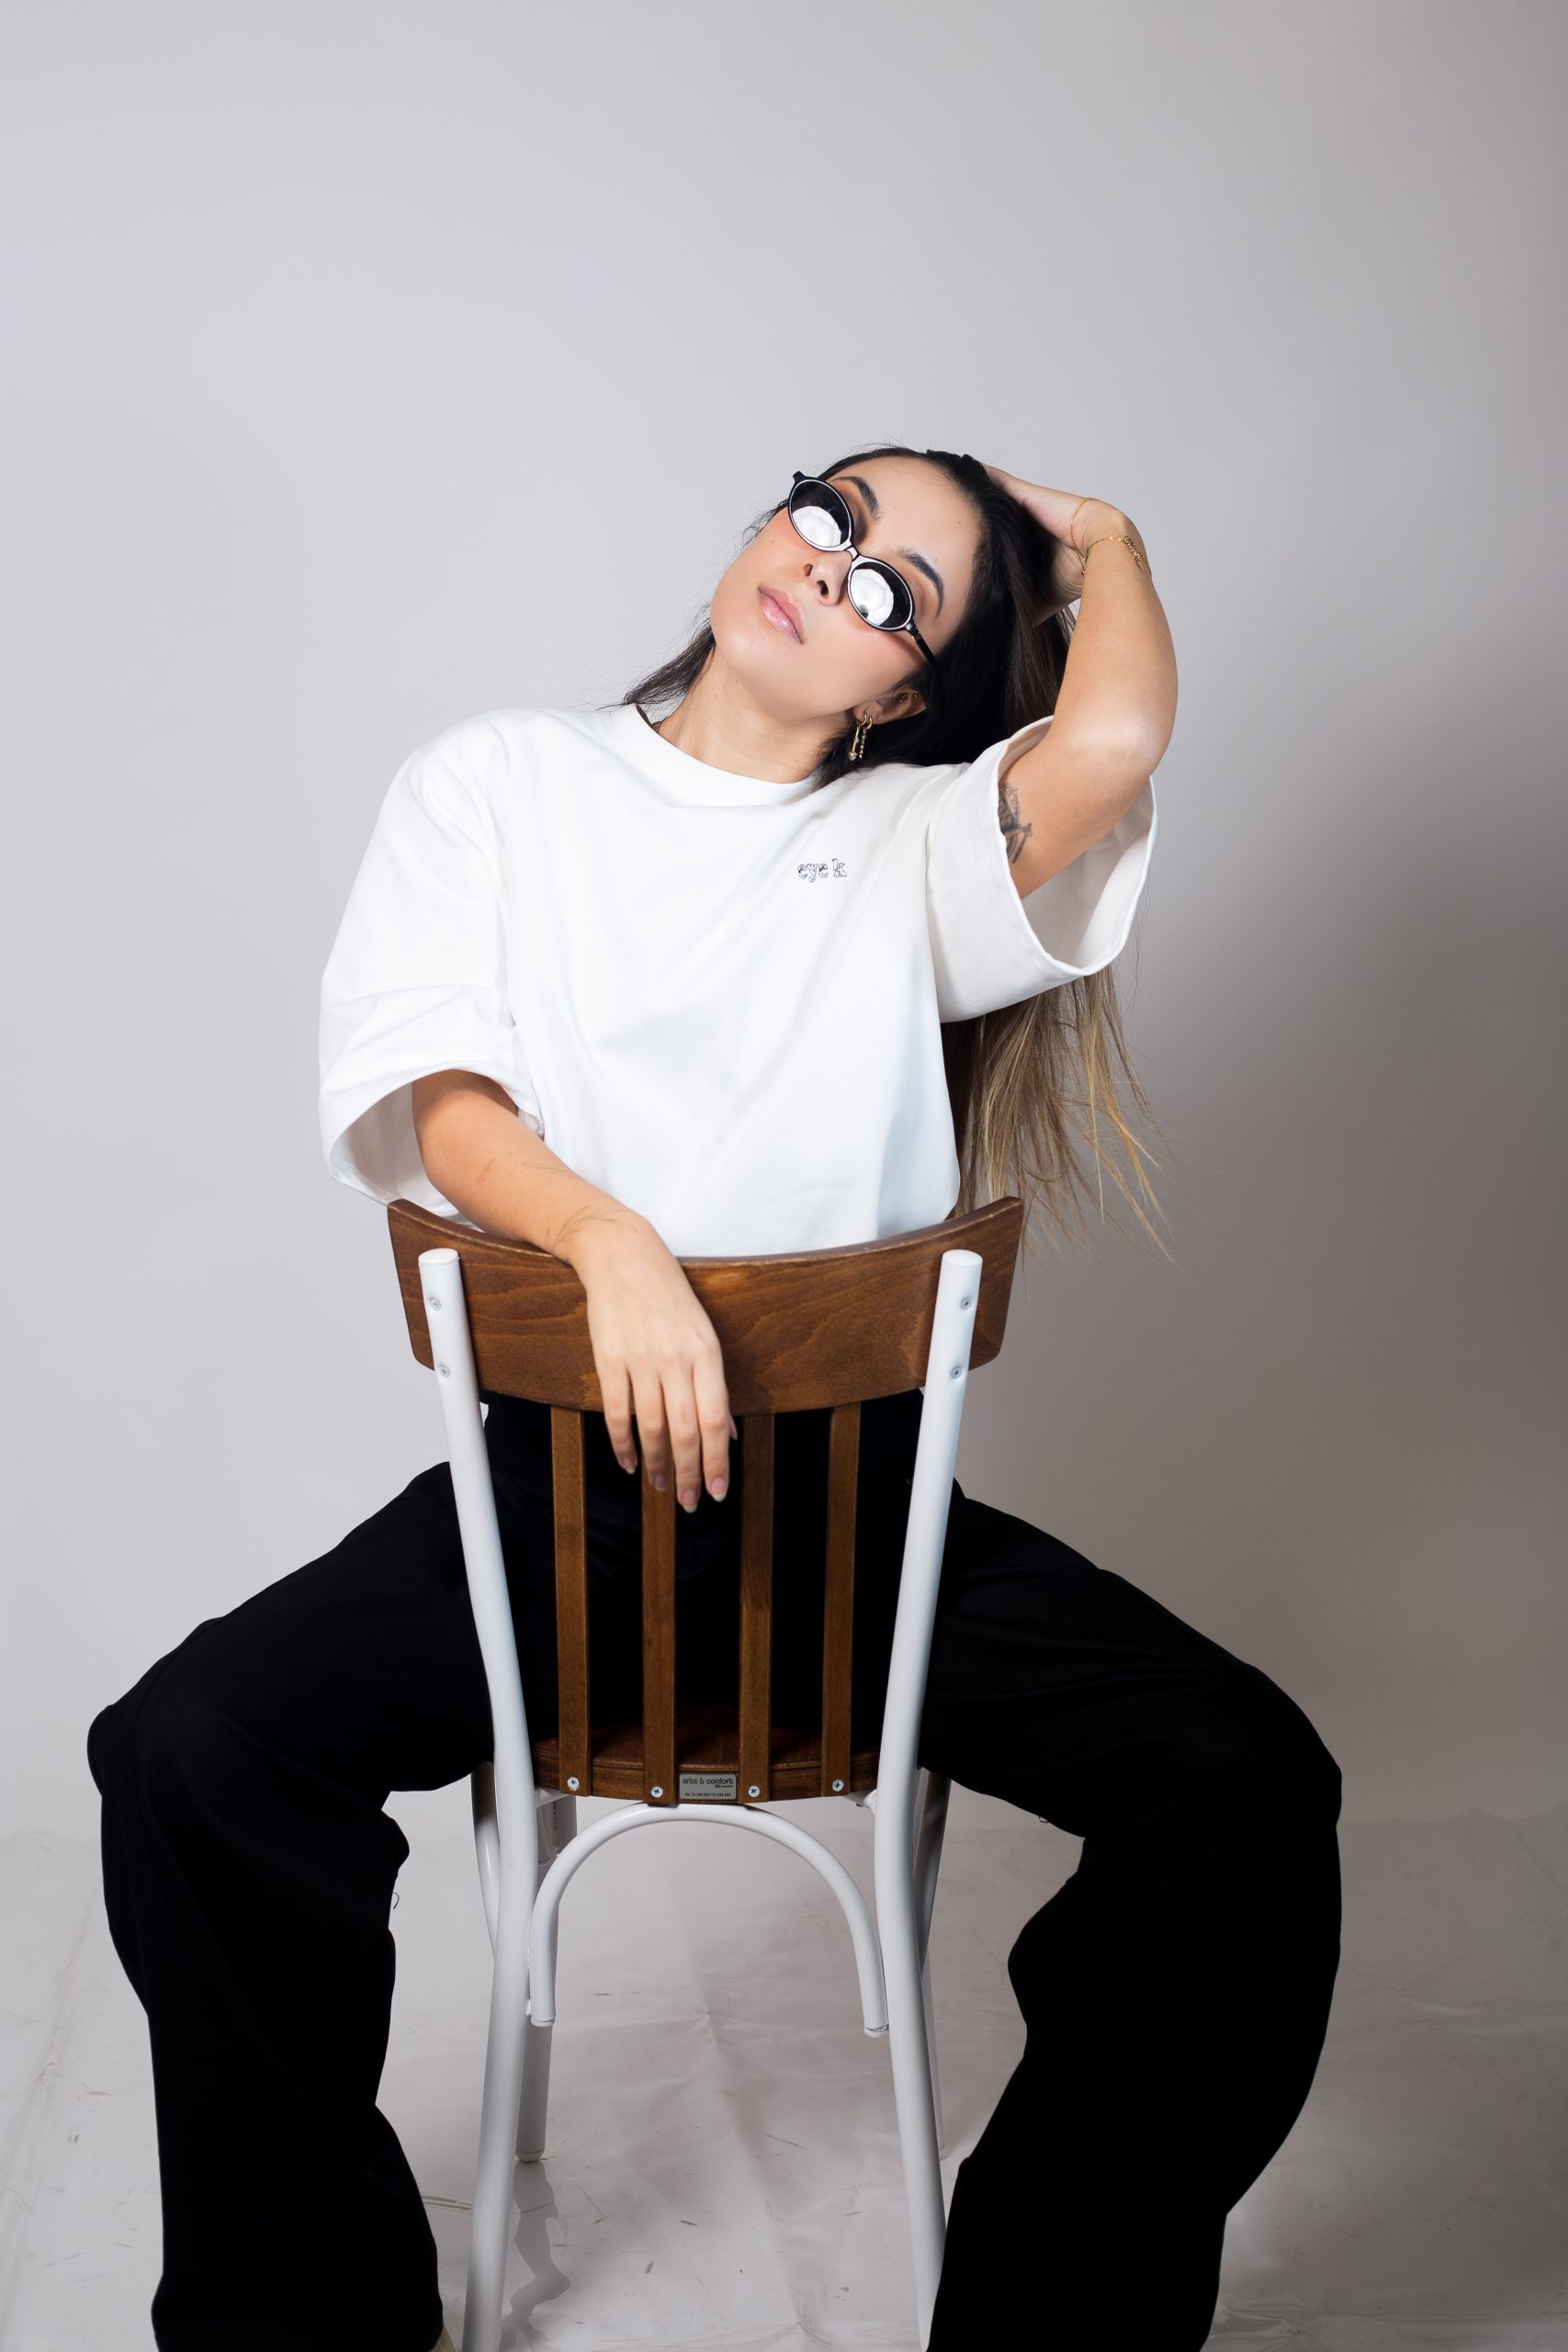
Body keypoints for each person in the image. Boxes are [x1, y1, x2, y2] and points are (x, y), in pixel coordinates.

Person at [86, 445, 1342, 2352]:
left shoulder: (919, 842)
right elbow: (441, 1094)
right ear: (767, 521)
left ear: (904, 691)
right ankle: (304, 2320)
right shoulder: (500, 780)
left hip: (855, 1535)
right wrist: (612, 1244)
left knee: (1242, 1776)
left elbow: (1112, 736)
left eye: (894, 590)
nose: (831, 571)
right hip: (548, 1513)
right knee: (191, 1749)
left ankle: (1054, 2317)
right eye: (829, 516)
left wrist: (1107, 545)